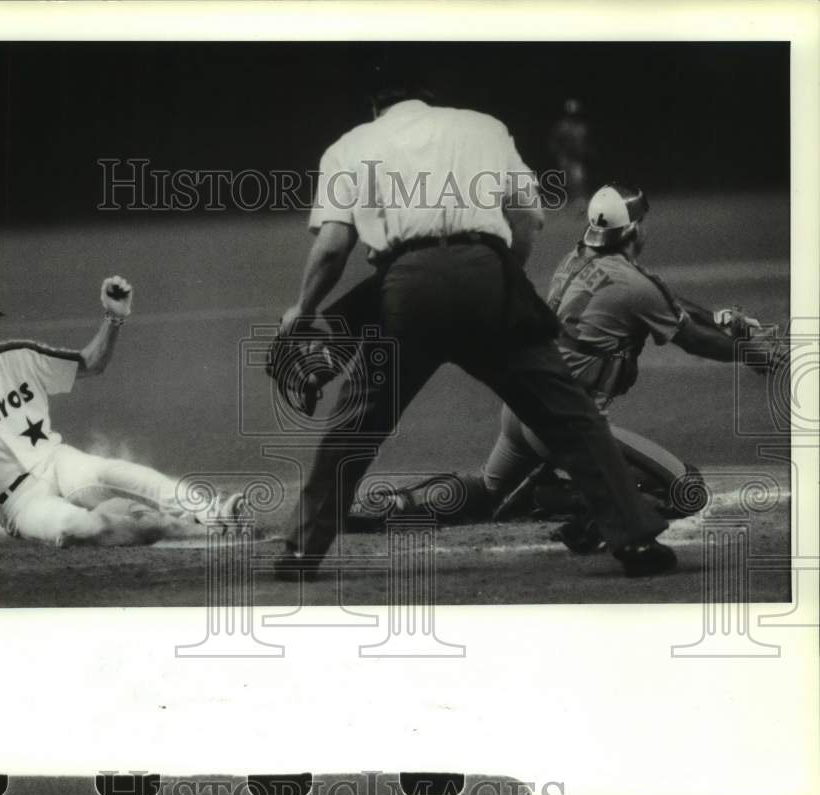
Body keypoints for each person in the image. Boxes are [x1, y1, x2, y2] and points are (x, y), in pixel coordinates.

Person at [273, 73, 677, 580]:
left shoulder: (350, 145)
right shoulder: (483, 127)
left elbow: (333, 247)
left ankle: (301, 551)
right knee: (570, 416)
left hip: (407, 288)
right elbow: (529, 217)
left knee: (355, 426)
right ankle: (636, 542)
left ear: (375, 105)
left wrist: (304, 310)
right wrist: (502, 276)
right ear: (430, 98)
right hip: (489, 278)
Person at [348, 183, 783, 552]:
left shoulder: (578, 259)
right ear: (634, 230)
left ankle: (395, 507)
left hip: (523, 409)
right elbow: (687, 333)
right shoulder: (634, 284)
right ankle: (579, 509)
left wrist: (724, 321)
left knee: (488, 491)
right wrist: (750, 350)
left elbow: (668, 304)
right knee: (686, 488)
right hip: (565, 424)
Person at [0, 278, 243, 547]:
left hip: (59, 462)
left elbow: (90, 364)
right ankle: (165, 527)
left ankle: (209, 511)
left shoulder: (17, 356)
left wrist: (113, 318)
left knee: (114, 473)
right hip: (18, 504)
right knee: (79, 529)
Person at [548, 98, 591, 208]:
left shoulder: (581, 127)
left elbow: (585, 141)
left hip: (577, 157)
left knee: (579, 178)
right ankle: (572, 200)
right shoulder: (562, 126)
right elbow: (554, 140)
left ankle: (580, 199)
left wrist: (585, 152)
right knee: (569, 179)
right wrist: (558, 154)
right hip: (566, 156)